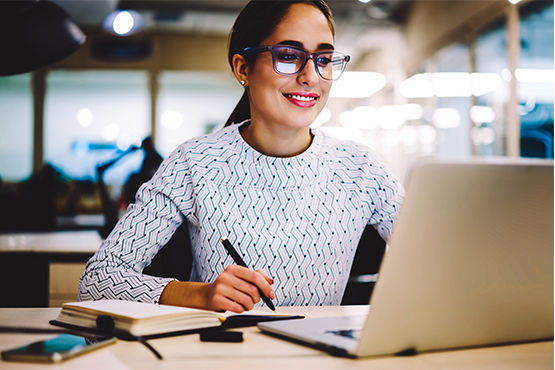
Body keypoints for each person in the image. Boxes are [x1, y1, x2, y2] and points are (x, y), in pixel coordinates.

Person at [78, 0, 404, 313]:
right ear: (242, 68)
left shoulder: (361, 169)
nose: (311, 76)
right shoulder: (195, 162)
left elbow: (441, 260)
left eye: (323, 59)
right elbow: (97, 279)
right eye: (289, 55)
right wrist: (197, 294)